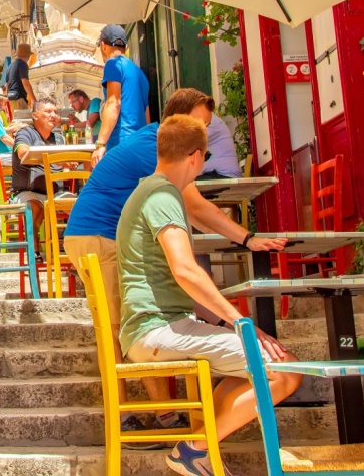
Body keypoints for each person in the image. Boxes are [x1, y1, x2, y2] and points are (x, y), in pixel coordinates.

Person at [63, 88, 287, 443]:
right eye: (200, 123)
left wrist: (246, 240)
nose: (205, 131)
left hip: (98, 232)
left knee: (128, 321)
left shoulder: (160, 146)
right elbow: (198, 209)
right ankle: (153, 416)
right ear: (179, 120)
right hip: (96, 232)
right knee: (120, 324)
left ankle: (177, 422)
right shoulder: (158, 150)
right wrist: (247, 239)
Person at [117, 114, 302, 476]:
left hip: (155, 326)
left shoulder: (152, 190)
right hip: (156, 329)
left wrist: (227, 323)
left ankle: (202, 446)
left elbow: (175, 279)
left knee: (250, 367)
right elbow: (186, 270)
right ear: (196, 157)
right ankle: (193, 450)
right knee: (284, 369)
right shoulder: (162, 196)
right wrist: (240, 323)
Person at [11, 97, 66, 257]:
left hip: (55, 193)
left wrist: (68, 163)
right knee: (35, 207)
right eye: (48, 111)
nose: (53, 115)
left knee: (82, 205)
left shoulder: (59, 139)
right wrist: (56, 158)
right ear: (35, 115)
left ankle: (74, 255)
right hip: (26, 192)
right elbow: (22, 152)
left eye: (55, 112)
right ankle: (34, 253)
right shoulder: (26, 133)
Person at [93, 24, 150, 164]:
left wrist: (100, 144)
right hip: (141, 143)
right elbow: (146, 112)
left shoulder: (113, 64)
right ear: (126, 46)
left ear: (103, 46)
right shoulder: (139, 72)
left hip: (121, 142)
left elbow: (113, 103)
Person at [199, 114, 244, 180]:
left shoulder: (209, 120)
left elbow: (188, 140)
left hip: (225, 175)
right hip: (215, 174)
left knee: (185, 185)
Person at [3, 43, 35, 110]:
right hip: (19, 99)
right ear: (27, 56)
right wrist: (34, 100)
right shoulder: (23, 64)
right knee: (21, 120)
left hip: (10, 100)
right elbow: (25, 82)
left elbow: (6, 86)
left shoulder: (10, 66)